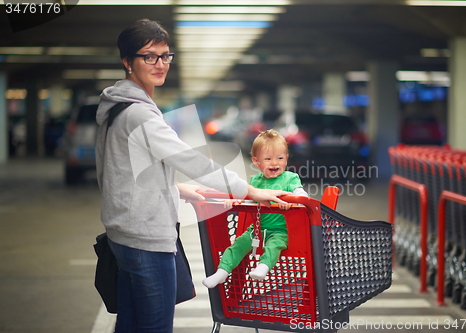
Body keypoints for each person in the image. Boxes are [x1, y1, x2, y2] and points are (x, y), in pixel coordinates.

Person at [95, 19, 290, 333]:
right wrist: (249, 191)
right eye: (149, 56)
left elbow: (122, 166)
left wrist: (175, 187)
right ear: (127, 61)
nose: (160, 64)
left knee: (130, 324)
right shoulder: (139, 113)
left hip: (124, 234)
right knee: (155, 327)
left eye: (165, 56)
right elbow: (191, 159)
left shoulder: (117, 108)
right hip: (146, 239)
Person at [202, 129, 308, 288]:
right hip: (256, 229)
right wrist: (232, 204)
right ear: (256, 161)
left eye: (280, 158)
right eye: (268, 159)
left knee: (274, 246)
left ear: (286, 158)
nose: (274, 163)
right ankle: (222, 272)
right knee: (237, 245)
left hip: (280, 230)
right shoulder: (255, 180)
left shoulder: (290, 178)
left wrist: (293, 202)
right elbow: (249, 200)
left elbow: (302, 196)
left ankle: (262, 268)